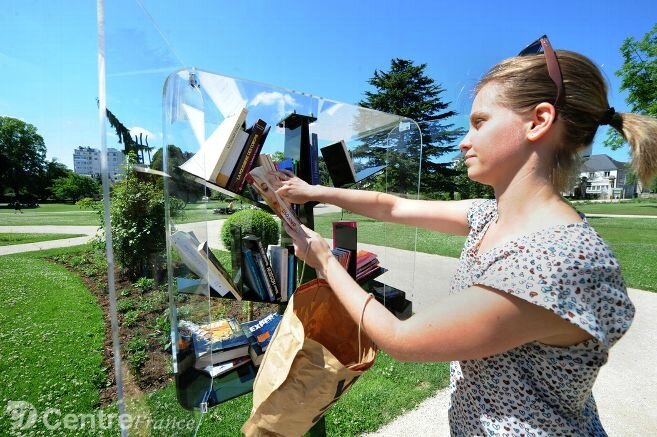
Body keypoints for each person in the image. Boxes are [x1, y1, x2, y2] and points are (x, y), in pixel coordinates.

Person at [274, 36, 657, 435]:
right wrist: (313, 191)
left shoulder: (555, 259)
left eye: (480, 122)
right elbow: (393, 206)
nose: (464, 141)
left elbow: (402, 339)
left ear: (539, 121)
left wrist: (323, 260)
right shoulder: (490, 214)